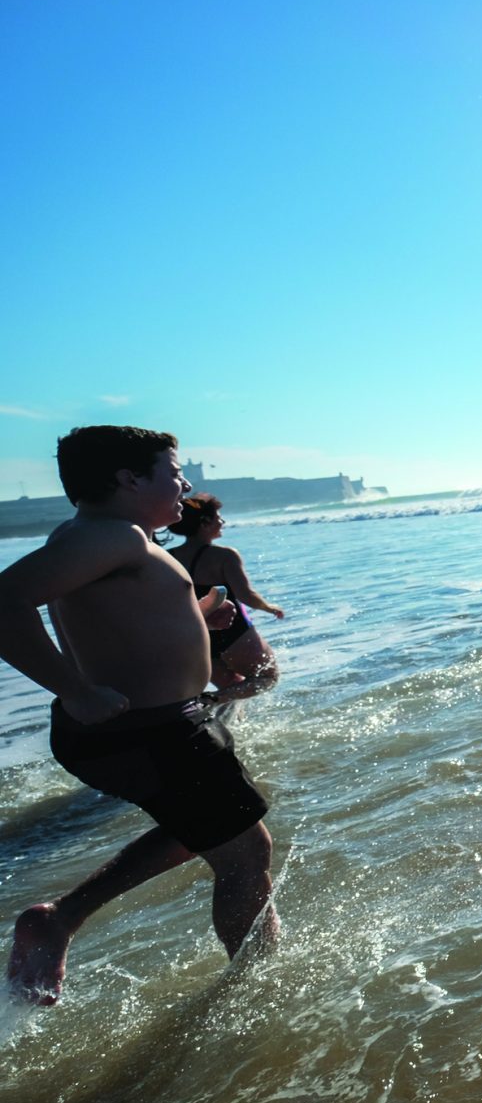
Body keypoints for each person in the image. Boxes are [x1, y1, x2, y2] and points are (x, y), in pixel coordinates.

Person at [1, 427, 278, 1005]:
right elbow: (4, 601)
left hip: (142, 727)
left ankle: (61, 919)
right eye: (173, 472)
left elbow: (123, 620)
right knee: (246, 853)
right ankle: (262, 993)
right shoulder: (117, 539)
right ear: (129, 479)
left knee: (205, 830)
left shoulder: (101, 538)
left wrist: (198, 615)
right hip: (153, 730)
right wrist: (73, 688)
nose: (186, 484)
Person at [166, 493, 282, 702]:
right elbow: (245, 594)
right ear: (205, 522)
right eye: (218, 517)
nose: (223, 522)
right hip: (232, 629)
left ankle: (223, 726)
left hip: (197, 633)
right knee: (266, 678)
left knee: (231, 686)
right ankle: (205, 702)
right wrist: (268, 607)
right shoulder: (224, 555)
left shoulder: (169, 557)